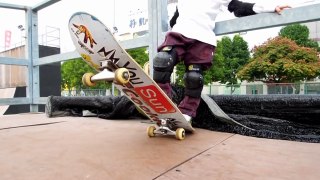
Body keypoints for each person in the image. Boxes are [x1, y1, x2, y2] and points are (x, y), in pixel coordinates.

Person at [152, 0, 290, 122]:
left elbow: (238, 7)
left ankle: (187, 111)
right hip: (179, 34)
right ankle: (163, 100)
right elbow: (176, 16)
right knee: (162, 60)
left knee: (193, 77)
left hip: (202, 38)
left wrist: (271, 7)